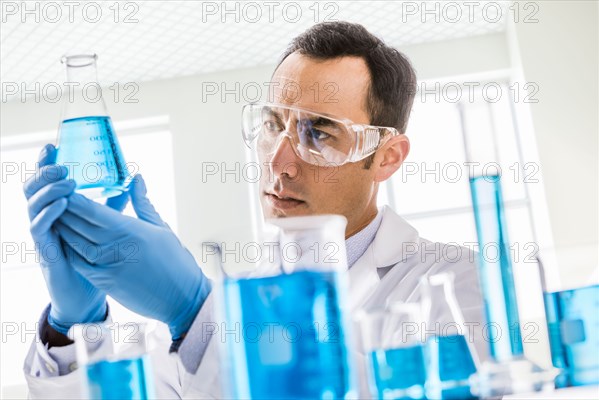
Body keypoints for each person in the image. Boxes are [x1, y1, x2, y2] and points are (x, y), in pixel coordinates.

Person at [23, 21, 488, 398]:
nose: (278, 162)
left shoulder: (448, 280)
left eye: (320, 133)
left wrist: (197, 314)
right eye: (272, 124)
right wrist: (71, 327)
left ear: (386, 157)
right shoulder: (240, 292)